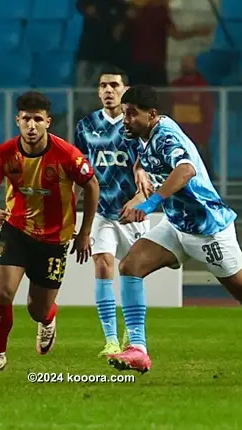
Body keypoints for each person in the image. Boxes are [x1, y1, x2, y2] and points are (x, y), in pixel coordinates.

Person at [106, 85, 242, 374]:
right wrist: (140, 178)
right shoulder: (141, 134)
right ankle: (138, 349)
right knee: (130, 266)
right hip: (177, 225)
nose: (125, 120)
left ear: (152, 115)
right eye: (125, 114)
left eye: (131, 114)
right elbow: (145, 161)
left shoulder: (167, 137)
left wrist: (150, 203)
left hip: (208, 230)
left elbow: (185, 170)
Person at [0, 91, 99, 372]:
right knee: (3, 293)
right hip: (16, 230)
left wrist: (84, 232)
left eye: (38, 120)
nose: (32, 126)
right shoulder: (3, 154)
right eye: (26, 119)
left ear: (48, 122)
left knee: (37, 309)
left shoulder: (67, 155)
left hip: (55, 240)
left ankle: (47, 320)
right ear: (17, 120)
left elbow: (92, 185)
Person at [75, 69, 151, 358]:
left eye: (114, 85)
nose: (108, 90)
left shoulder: (136, 126)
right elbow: (79, 172)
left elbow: (145, 169)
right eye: (103, 85)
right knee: (102, 264)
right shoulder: (86, 126)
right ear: (98, 91)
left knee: (134, 272)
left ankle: (133, 335)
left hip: (131, 212)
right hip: (101, 212)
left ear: (125, 88)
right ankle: (110, 340)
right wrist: (73, 209)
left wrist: (141, 199)